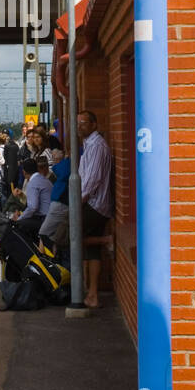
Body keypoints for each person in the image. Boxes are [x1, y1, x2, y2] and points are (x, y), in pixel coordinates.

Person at [77, 109, 114, 309]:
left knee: (70, 237)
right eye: (78, 123)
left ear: (93, 125)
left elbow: (92, 179)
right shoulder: (88, 144)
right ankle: (92, 294)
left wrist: (79, 201)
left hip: (95, 204)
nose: (79, 126)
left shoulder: (97, 146)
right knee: (92, 250)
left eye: (83, 123)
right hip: (91, 203)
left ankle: (107, 240)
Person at [15, 155, 52, 239]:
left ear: (24, 172)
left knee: (17, 225)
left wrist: (20, 218)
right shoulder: (43, 179)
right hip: (49, 216)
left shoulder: (33, 183)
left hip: (45, 219)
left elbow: (32, 207)